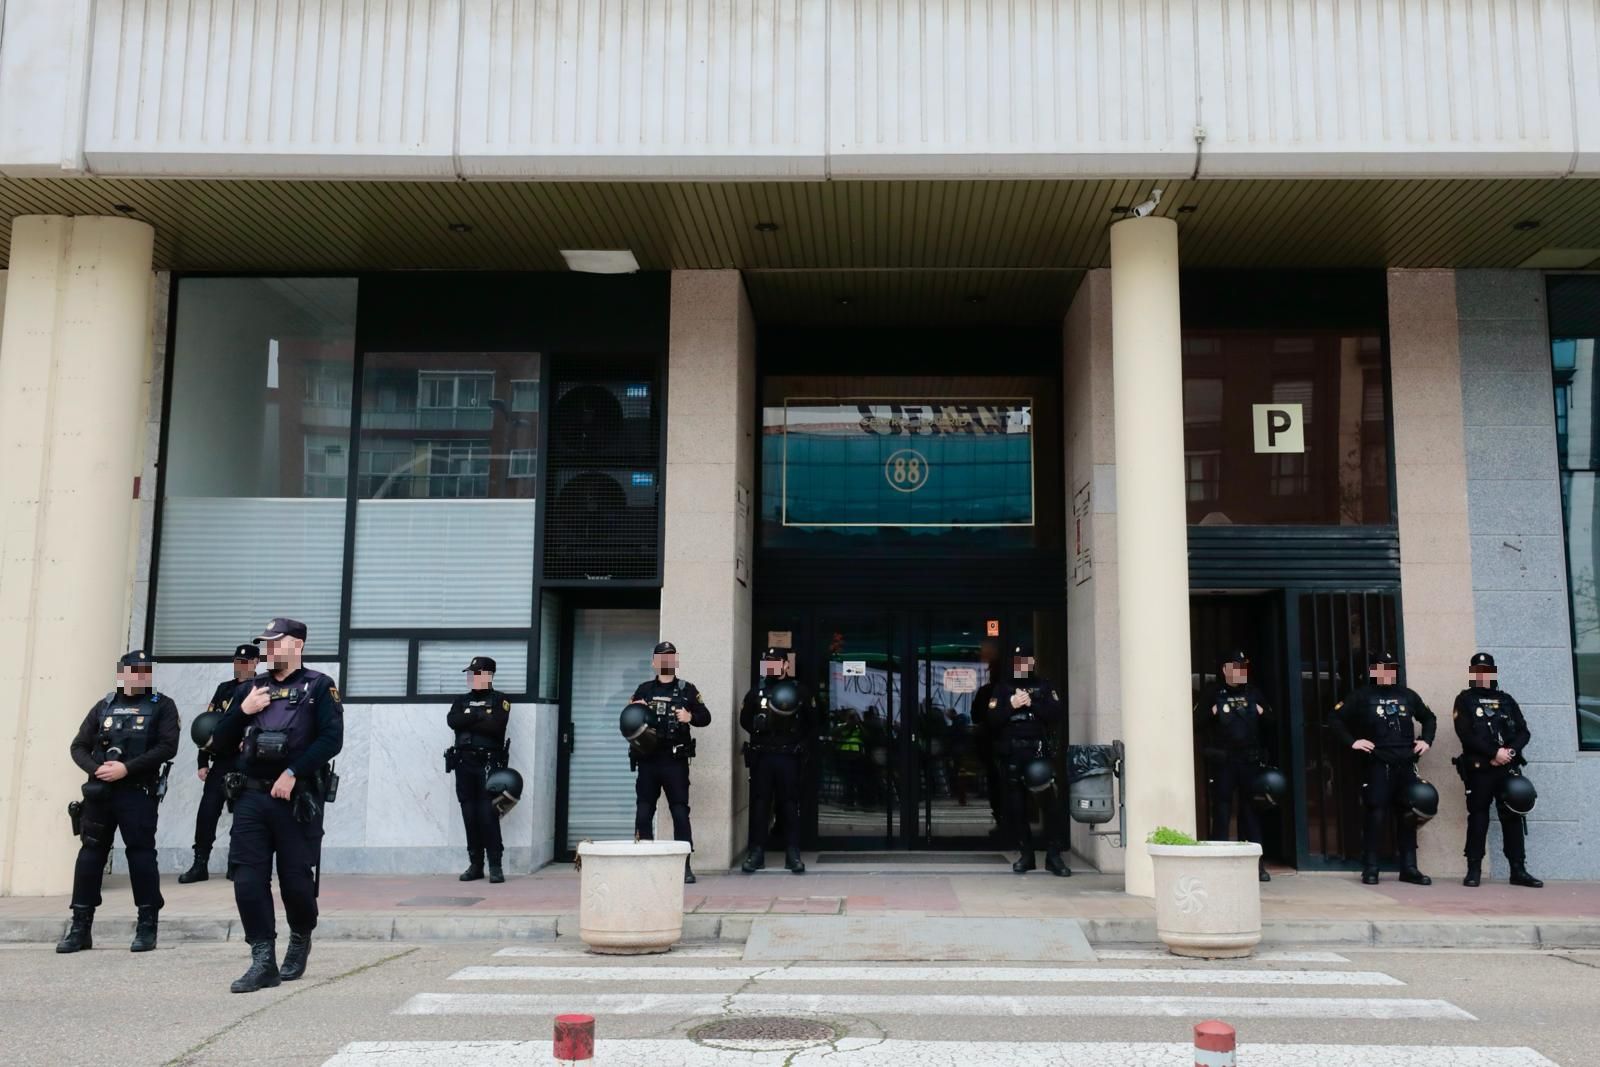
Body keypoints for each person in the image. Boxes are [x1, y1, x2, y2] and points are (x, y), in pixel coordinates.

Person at [210, 618, 343, 993]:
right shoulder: (251, 689)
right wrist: (242, 711)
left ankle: (300, 937)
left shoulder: (318, 687)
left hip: (295, 798)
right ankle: (262, 960)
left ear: (297, 645)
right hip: (251, 796)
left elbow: (332, 740)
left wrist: (293, 772)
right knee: (247, 879)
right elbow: (218, 742)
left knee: (296, 883)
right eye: (264, 643)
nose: (268, 649)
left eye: (275, 642)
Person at [58, 650, 181, 954]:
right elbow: (78, 746)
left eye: (144, 672)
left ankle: (147, 925)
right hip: (100, 793)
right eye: (132, 671)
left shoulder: (162, 706)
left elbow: (168, 747)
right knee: (90, 856)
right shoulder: (105, 706)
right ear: (122, 673)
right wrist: (95, 769)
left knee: (140, 856)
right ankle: (80, 926)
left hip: (137, 791)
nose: (138, 677)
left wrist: (127, 768)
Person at [1331, 649, 1437, 886]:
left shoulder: (1408, 696)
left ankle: (1409, 868)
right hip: (1379, 764)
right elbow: (1335, 720)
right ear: (1373, 671)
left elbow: (1429, 718)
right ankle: (1371, 868)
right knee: (1376, 815)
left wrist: (1426, 740)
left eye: (1391, 668)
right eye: (1382, 668)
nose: (1388, 672)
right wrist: (1353, 742)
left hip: (1406, 763)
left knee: (1409, 816)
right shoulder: (1361, 696)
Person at [1453, 652, 1543, 889]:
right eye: (1478, 671)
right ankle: (1474, 870)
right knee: (1479, 817)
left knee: (1513, 816)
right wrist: (1494, 754)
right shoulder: (1464, 700)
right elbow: (1465, 734)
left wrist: (1509, 753)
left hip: (1507, 768)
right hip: (1480, 770)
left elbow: (1524, 732)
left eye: (1486, 670)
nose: (1482, 675)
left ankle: (1518, 870)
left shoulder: (1506, 700)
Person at [628, 641, 711, 884]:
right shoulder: (643, 690)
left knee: (679, 812)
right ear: (654, 662)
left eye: (670, 657)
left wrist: (690, 716)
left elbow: (706, 717)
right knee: (644, 812)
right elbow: (628, 721)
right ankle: (643, 862)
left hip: (674, 761)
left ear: (676, 661)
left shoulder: (687, 689)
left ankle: (684, 865)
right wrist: (633, 708)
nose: (665, 662)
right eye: (661, 658)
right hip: (648, 761)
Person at [985, 646, 1070, 876]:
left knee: (1050, 806)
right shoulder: (1003, 688)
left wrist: (1032, 703)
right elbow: (991, 720)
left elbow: (1055, 714)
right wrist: (1011, 704)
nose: (1022, 664)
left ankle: (1054, 855)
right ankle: (1026, 855)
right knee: (1017, 808)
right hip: (1013, 754)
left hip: (1038, 753)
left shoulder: (1043, 686)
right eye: (1017, 660)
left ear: (1032, 661)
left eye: (1026, 660)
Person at [178, 644, 260, 884]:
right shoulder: (224, 689)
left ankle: (236, 863)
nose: (241, 667)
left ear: (256, 663)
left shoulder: (261, 688)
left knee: (243, 812)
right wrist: (202, 761)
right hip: (222, 759)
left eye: (246, 662)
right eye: (238, 662)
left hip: (247, 760)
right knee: (208, 810)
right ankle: (200, 863)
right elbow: (207, 725)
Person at [1193, 649, 1273, 882]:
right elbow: (1196, 723)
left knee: (1251, 814)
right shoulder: (1212, 693)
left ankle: (1256, 865)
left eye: (1242, 667)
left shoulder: (1254, 692)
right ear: (1225, 670)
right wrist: (1212, 713)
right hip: (1224, 762)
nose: (1239, 672)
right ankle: (1219, 862)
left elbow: (1271, 722)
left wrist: (1261, 711)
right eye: (1234, 667)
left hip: (1249, 761)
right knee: (1222, 812)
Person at [740, 647, 810, 875]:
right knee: (760, 805)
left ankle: (792, 853)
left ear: (786, 665)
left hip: (788, 756)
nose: (770, 666)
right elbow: (745, 721)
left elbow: (812, 722)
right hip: (763, 756)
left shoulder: (799, 691)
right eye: (767, 662)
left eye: (775, 662)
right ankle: (757, 852)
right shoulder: (756, 692)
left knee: (789, 804)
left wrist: (793, 740)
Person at [447, 655, 511, 884]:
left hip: (488, 765)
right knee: (469, 815)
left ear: (489, 676)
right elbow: (452, 721)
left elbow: (496, 726)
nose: (472, 678)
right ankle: (475, 864)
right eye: (470, 674)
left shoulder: (500, 700)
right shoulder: (460, 700)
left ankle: (495, 864)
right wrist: (478, 715)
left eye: (477, 674)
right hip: (464, 764)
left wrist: (469, 717)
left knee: (487, 815)